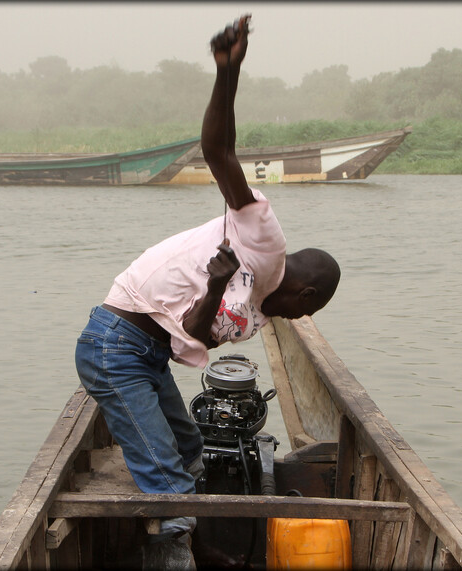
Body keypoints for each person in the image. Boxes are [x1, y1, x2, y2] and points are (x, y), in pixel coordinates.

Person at [73, 14, 340, 569]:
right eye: (305, 311)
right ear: (306, 292)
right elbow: (219, 153)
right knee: (167, 480)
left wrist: (217, 287)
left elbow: (186, 339)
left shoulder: (257, 314)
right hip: (113, 344)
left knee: (191, 451)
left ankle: (195, 545)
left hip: (149, 354)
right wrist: (227, 73)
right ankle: (177, 551)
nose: (293, 320)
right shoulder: (264, 240)